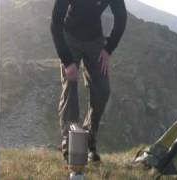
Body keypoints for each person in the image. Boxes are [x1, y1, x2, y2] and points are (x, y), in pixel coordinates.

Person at [50, 0, 127, 163]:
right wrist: (67, 61)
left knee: (103, 90)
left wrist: (108, 48)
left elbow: (121, 17)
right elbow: (55, 22)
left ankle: (88, 141)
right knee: (70, 85)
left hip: (95, 41)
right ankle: (69, 144)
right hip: (69, 36)